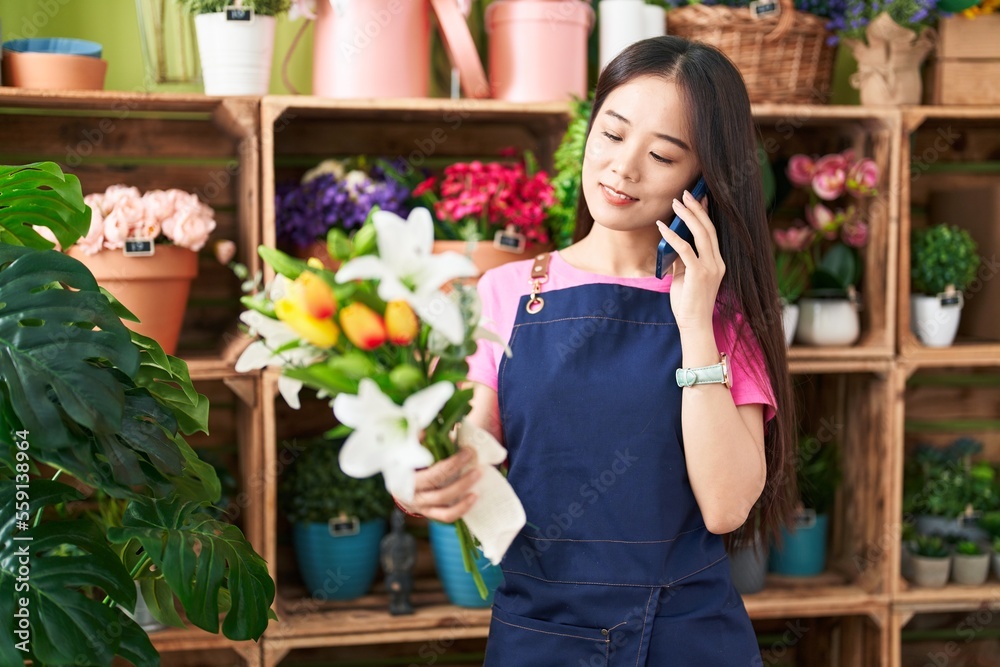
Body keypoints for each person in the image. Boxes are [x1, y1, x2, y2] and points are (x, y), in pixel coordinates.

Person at [394, 35, 796, 666]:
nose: (624, 168)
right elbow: (467, 445)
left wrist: (693, 320)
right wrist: (424, 479)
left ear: (702, 180)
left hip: (688, 639)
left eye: (663, 155)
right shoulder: (504, 292)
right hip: (543, 636)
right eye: (612, 134)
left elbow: (725, 507)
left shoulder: (723, 317)